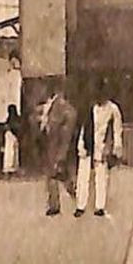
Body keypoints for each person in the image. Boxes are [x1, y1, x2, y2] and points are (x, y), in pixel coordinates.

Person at [35, 82, 81, 217]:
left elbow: (71, 116)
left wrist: (63, 149)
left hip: (57, 145)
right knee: (52, 175)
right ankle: (54, 204)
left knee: (60, 174)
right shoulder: (48, 105)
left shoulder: (60, 104)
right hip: (49, 144)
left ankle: (77, 197)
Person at [83, 83, 125, 217]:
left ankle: (99, 205)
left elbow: (117, 129)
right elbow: (87, 127)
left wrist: (115, 147)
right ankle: (83, 203)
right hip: (91, 143)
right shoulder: (93, 108)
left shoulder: (113, 109)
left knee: (101, 175)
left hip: (104, 145)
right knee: (86, 175)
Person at [2, 103, 21, 175]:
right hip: (11, 136)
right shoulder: (11, 119)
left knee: (12, 152)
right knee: (11, 152)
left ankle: (12, 167)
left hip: (12, 136)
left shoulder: (13, 119)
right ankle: (10, 167)